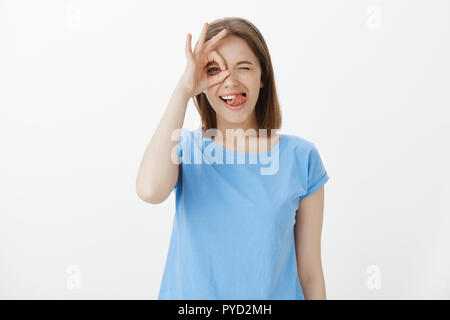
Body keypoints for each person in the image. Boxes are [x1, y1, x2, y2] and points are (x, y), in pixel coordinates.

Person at [136, 17, 330, 300]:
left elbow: (310, 273)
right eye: (215, 70)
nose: (231, 81)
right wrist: (184, 88)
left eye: (244, 67)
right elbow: (149, 190)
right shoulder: (185, 148)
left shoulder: (302, 159)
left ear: (262, 77)